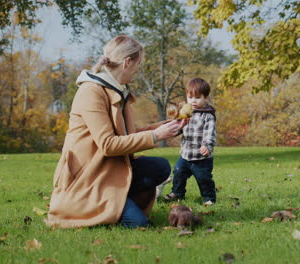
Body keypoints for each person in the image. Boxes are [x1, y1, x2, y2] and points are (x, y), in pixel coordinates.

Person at [45, 35, 186, 229]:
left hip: (110, 169)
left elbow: (129, 133)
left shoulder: (119, 91)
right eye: (138, 64)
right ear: (128, 62)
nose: (138, 70)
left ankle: (119, 201)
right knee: (139, 224)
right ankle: (105, 206)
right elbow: (108, 144)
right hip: (90, 179)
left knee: (160, 167)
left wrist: (169, 127)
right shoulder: (91, 91)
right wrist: (156, 135)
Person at [164, 78, 217, 205]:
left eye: (197, 97)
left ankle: (209, 198)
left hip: (201, 158)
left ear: (205, 98)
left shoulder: (208, 116)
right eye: (190, 97)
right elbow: (180, 127)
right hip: (186, 154)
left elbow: (210, 133)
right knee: (178, 172)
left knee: (203, 178)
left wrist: (207, 145)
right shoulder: (186, 113)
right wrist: (173, 131)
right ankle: (177, 193)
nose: (193, 100)